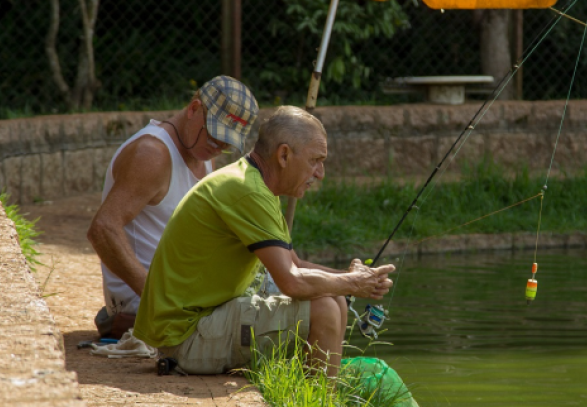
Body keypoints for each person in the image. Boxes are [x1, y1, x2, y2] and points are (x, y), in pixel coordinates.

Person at [133, 105, 395, 377]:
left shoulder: (252, 183)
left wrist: (349, 277)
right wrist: (354, 283)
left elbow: (295, 265)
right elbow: (292, 281)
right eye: (315, 160)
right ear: (283, 155)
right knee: (325, 308)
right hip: (185, 339)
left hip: (192, 327)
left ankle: (321, 401)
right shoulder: (249, 192)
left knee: (334, 298)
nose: (320, 173)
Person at [88, 75, 260, 339]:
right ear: (193, 109)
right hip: (145, 302)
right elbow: (102, 229)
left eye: (227, 143)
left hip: (181, 295)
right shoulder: (152, 153)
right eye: (214, 135)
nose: (218, 147)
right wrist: (157, 300)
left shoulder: (202, 157)